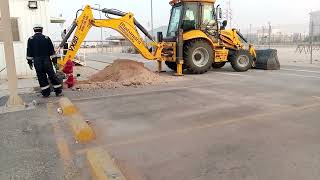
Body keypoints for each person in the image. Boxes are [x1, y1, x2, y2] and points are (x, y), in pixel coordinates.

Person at [26, 24, 63, 97]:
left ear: (34, 30)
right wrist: (55, 62)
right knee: (52, 75)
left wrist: (30, 63)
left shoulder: (30, 39)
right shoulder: (46, 38)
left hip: (37, 62)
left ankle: (46, 93)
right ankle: (58, 91)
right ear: (42, 30)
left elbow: (29, 52)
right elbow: (52, 52)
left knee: (41, 77)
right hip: (46, 60)